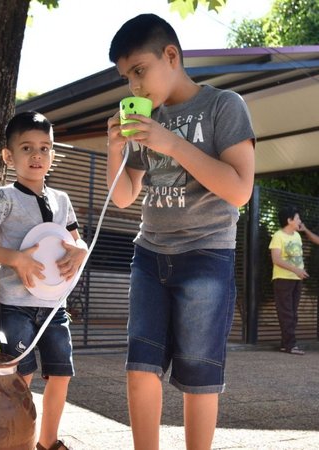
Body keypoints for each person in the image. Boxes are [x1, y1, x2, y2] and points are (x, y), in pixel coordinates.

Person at [105, 14, 255, 450]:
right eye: (126, 78)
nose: (133, 87)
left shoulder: (224, 106)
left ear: (171, 55)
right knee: (139, 366)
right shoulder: (145, 118)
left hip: (207, 255)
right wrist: (117, 151)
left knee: (198, 375)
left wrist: (170, 143)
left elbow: (240, 189)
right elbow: (125, 195)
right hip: (149, 254)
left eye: (139, 71)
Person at [0, 111, 87, 450]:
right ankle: (17, 440)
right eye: (27, 148)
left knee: (61, 374)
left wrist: (81, 251)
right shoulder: (3, 197)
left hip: (54, 309)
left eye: (45, 148)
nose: (37, 156)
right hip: (16, 306)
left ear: (53, 154)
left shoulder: (62, 200)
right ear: (8, 156)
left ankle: (48, 442)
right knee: (21, 378)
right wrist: (16, 258)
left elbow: (78, 242)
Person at [269, 205, 315, 355]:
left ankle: (285, 344)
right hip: (283, 279)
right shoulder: (278, 236)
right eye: (297, 218)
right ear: (289, 220)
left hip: (297, 279)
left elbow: (298, 258)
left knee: (293, 313)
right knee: (286, 313)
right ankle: (290, 345)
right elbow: (276, 259)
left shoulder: (297, 236)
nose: (300, 221)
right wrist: (296, 270)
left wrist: (300, 271)